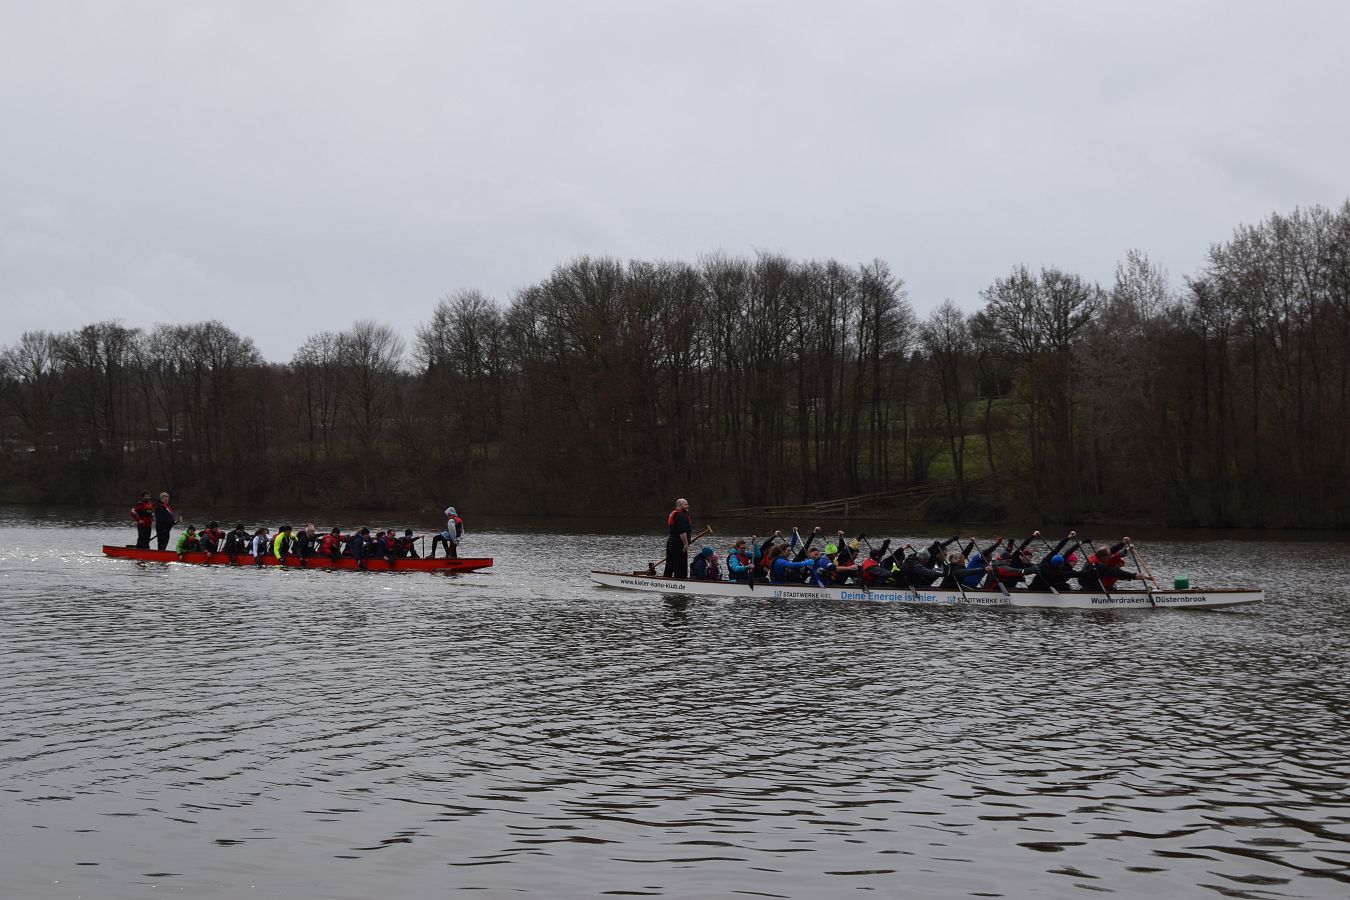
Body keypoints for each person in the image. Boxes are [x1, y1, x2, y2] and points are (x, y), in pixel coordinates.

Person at [663, 498, 692, 578]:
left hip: (671, 542)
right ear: (679, 506)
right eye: (685, 504)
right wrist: (686, 544)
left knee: (670, 564)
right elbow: (682, 532)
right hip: (678, 544)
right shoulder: (681, 516)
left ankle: (666, 579)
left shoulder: (675, 514)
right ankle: (681, 581)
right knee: (680, 566)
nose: (688, 506)